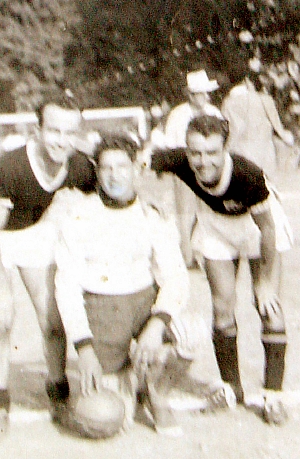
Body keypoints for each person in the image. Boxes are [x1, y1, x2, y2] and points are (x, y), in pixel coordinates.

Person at [0, 103, 96, 441]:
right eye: (53, 130)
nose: (61, 140)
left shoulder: (80, 165)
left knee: (53, 320)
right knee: (1, 320)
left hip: (32, 233)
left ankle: (59, 398)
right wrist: (1, 289)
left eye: (69, 132)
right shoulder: (10, 167)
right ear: (37, 130)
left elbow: (103, 198)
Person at [150, 114, 293, 425]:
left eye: (212, 152)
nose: (203, 161)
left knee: (268, 306)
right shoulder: (179, 160)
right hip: (216, 226)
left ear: (225, 148)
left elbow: (268, 229)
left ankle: (273, 395)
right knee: (222, 306)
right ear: (186, 150)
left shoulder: (246, 175)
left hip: (257, 228)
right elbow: (141, 163)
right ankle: (231, 389)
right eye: (195, 152)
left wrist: (266, 282)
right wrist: (154, 198)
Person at [48, 134, 195, 435]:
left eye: (122, 166)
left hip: (144, 309)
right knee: (108, 418)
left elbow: (176, 276)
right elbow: (67, 286)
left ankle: (157, 394)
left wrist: (157, 325)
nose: (114, 175)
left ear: (136, 169)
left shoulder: (153, 214)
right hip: (102, 313)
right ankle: (128, 382)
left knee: (190, 333)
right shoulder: (78, 216)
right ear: (97, 172)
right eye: (106, 168)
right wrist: (84, 348)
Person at [163, 70, 224, 266]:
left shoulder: (214, 113)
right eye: (201, 93)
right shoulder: (178, 115)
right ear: (190, 95)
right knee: (186, 213)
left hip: (210, 169)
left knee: (209, 211)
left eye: (207, 93)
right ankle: (187, 257)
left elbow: (223, 141)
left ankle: (207, 255)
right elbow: (171, 145)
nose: (207, 97)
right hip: (185, 167)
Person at [221, 62, 294, 174]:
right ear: (246, 80)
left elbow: (234, 130)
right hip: (266, 157)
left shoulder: (228, 103)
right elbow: (280, 131)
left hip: (241, 157)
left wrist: (225, 152)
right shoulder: (265, 99)